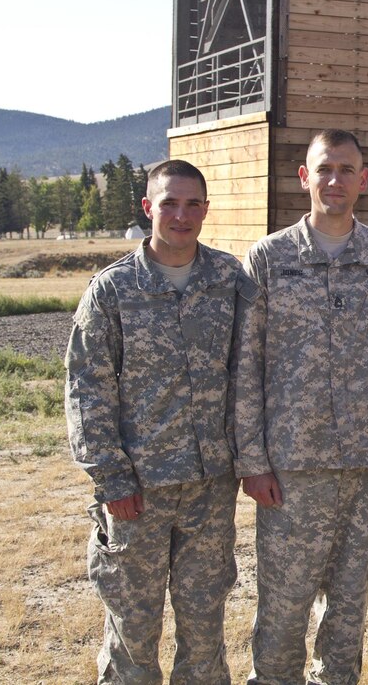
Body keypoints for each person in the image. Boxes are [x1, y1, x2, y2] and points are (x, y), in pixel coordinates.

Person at [232, 129, 368, 685]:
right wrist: (252, 460)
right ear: (305, 177)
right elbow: (245, 367)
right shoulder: (269, 260)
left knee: (349, 605)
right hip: (291, 467)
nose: (335, 180)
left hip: (365, 464)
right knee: (283, 605)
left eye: (347, 170)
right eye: (325, 169)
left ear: (363, 180)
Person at [65, 159, 257, 684]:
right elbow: (87, 386)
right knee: (133, 630)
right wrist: (110, 478)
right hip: (137, 491)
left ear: (205, 210)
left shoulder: (228, 280)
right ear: (148, 208)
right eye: (169, 202)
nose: (181, 214)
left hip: (210, 487)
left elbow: (250, 370)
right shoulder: (113, 290)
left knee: (205, 626)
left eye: (193, 203)